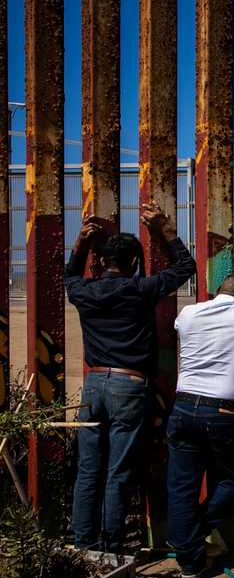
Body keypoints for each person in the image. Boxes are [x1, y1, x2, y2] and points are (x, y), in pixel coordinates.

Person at [66, 204, 196, 553]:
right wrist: (164, 228)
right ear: (134, 264)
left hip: (93, 386)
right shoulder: (141, 289)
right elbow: (186, 267)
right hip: (130, 384)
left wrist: (79, 246)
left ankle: (83, 544)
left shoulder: (84, 292)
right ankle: (110, 546)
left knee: (89, 468)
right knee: (119, 470)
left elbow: (69, 277)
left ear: (100, 263)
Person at [166, 272, 234, 578]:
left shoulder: (189, 313)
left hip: (183, 408)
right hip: (224, 413)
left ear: (218, 290)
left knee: (182, 486)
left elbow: (180, 328)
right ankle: (191, 535)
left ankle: (189, 561)